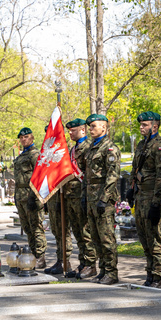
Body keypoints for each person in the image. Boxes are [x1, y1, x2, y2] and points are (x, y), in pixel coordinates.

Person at [130, 111, 161, 289]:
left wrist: (157, 202)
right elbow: (135, 169)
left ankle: (159, 276)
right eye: (140, 124)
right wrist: (131, 190)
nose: (141, 127)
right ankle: (149, 272)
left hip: (153, 198)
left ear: (155, 126)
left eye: (145, 124)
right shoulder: (141, 145)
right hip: (141, 196)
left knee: (156, 238)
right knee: (145, 238)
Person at [82, 114, 121, 284]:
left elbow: (112, 176)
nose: (90, 129)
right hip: (91, 197)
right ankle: (103, 269)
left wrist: (104, 199)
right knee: (95, 237)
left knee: (106, 237)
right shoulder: (91, 148)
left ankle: (112, 273)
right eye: (90, 127)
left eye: (94, 126)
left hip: (103, 199)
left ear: (104, 128)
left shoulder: (109, 148)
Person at [64, 118, 95, 279]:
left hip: (82, 195)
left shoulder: (88, 148)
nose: (70, 133)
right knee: (77, 232)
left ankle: (90, 264)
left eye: (73, 130)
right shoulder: (72, 149)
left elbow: (89, 174)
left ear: (83, 130)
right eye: (69, 130)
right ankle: (83, 263)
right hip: (71, 196)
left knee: (85, 232)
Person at [13, 127, 47, 268]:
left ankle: (40, 257)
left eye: (26, 137)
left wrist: (34, 197)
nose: (23, 139)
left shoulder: (35, 155)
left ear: (32, 138)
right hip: (21, 195)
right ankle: (32, 254)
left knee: (36, 227)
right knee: (27, 228)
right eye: (21, 137)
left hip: (31, 195)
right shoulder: (21, 156)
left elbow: (39, 177)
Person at [44, 125, 72, 275]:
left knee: (63, 231)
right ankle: (59, 259)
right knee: (56, 230)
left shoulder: (64, 152)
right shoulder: (47, 154)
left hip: (64, 196)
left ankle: (65, 261)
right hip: (52, 197)